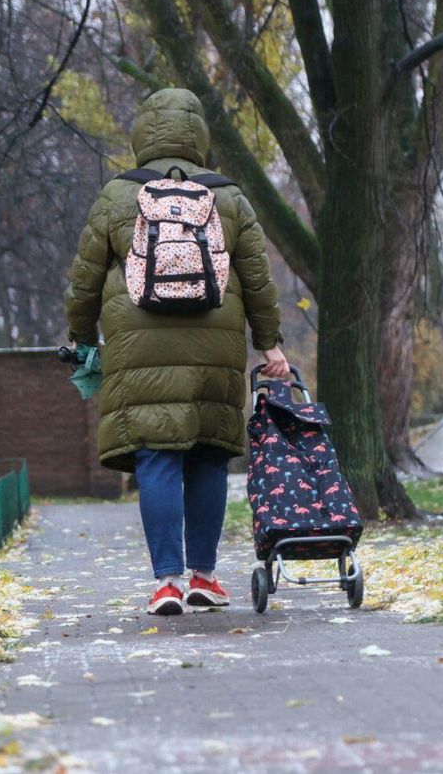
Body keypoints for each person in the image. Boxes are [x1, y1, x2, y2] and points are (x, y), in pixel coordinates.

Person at [64, 88, 288, 615]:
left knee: (157, 459)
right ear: (199, 136)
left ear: (143, 134)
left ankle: (166, 581)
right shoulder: (228, 196)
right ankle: (204, 577)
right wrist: (270, 342)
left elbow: (85, 279)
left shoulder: (118, 195)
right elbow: (258, 279)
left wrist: (79, 337)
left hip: (139, 345)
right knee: (208, 455)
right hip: (216, 345)